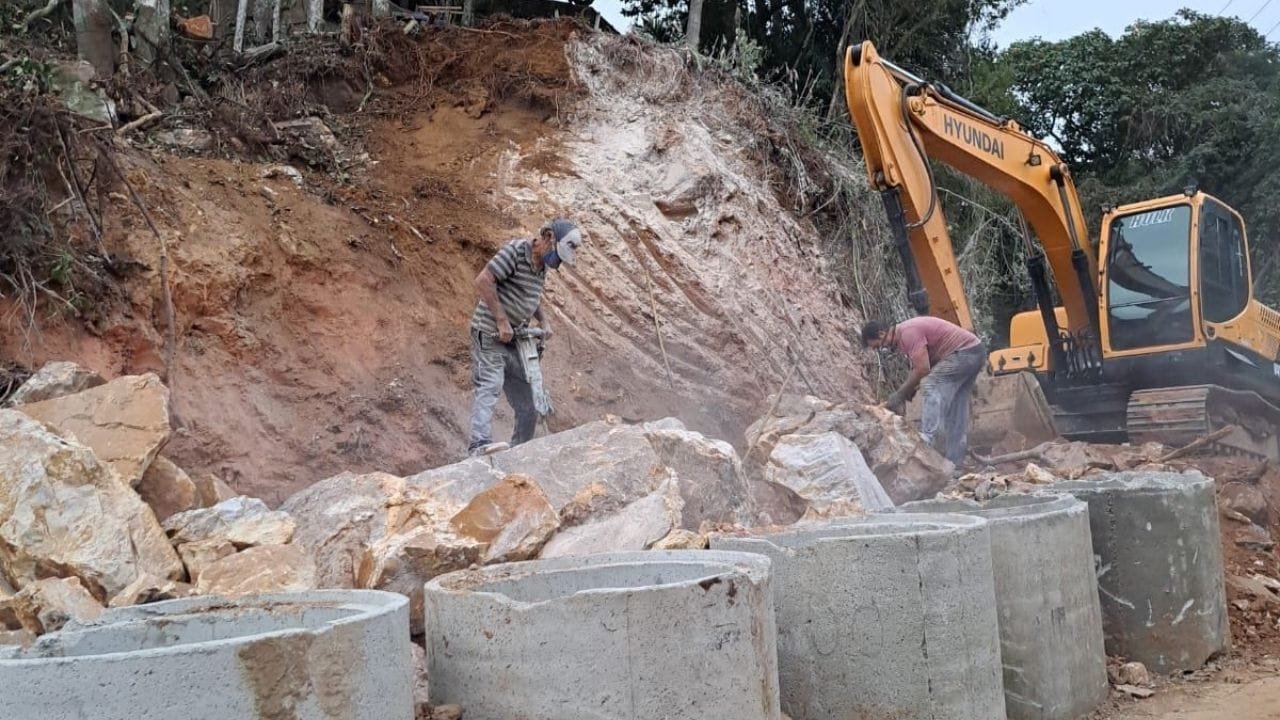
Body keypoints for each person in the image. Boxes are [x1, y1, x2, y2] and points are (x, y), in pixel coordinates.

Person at [468, 219, 582, 455]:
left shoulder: (540, 267)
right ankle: (478, 445)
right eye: (557, 255)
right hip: (489, 332)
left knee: (528, 402)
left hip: (515, 339)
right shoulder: (516, 251)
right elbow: (483, 280)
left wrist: (543, 320)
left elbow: (531, 295)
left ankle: (521, 452)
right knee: (490, 384)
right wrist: (501, 320)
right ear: (548, 236)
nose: (556, 263)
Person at [861, 316, 986, 465]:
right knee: (956, 408)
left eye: (877, 346)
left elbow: (923, 368)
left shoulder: (907, 333)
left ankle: (927, 438)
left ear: (882, 334)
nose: (881, 349)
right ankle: (955, 462)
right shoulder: (906, 333)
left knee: (929, 384)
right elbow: (924, 365)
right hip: (976, 352)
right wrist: (910, 388)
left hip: (964, 353)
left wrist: (900, 394)